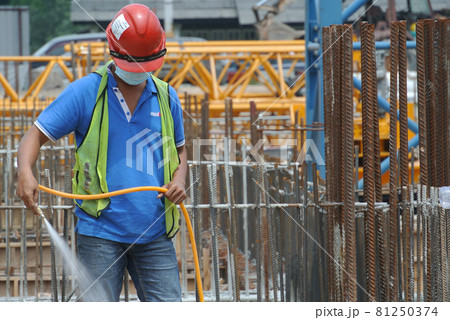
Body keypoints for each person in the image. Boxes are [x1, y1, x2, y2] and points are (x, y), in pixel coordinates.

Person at [16, 4, 186, 302]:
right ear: (113, 53)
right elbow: (34, 136)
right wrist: (25, 172)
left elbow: (180, 152)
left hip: (154, 232)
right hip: (100, 233)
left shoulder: (165, 95)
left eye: (148, 63)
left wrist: (179, 180)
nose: (141, 71)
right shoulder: (85, 93)